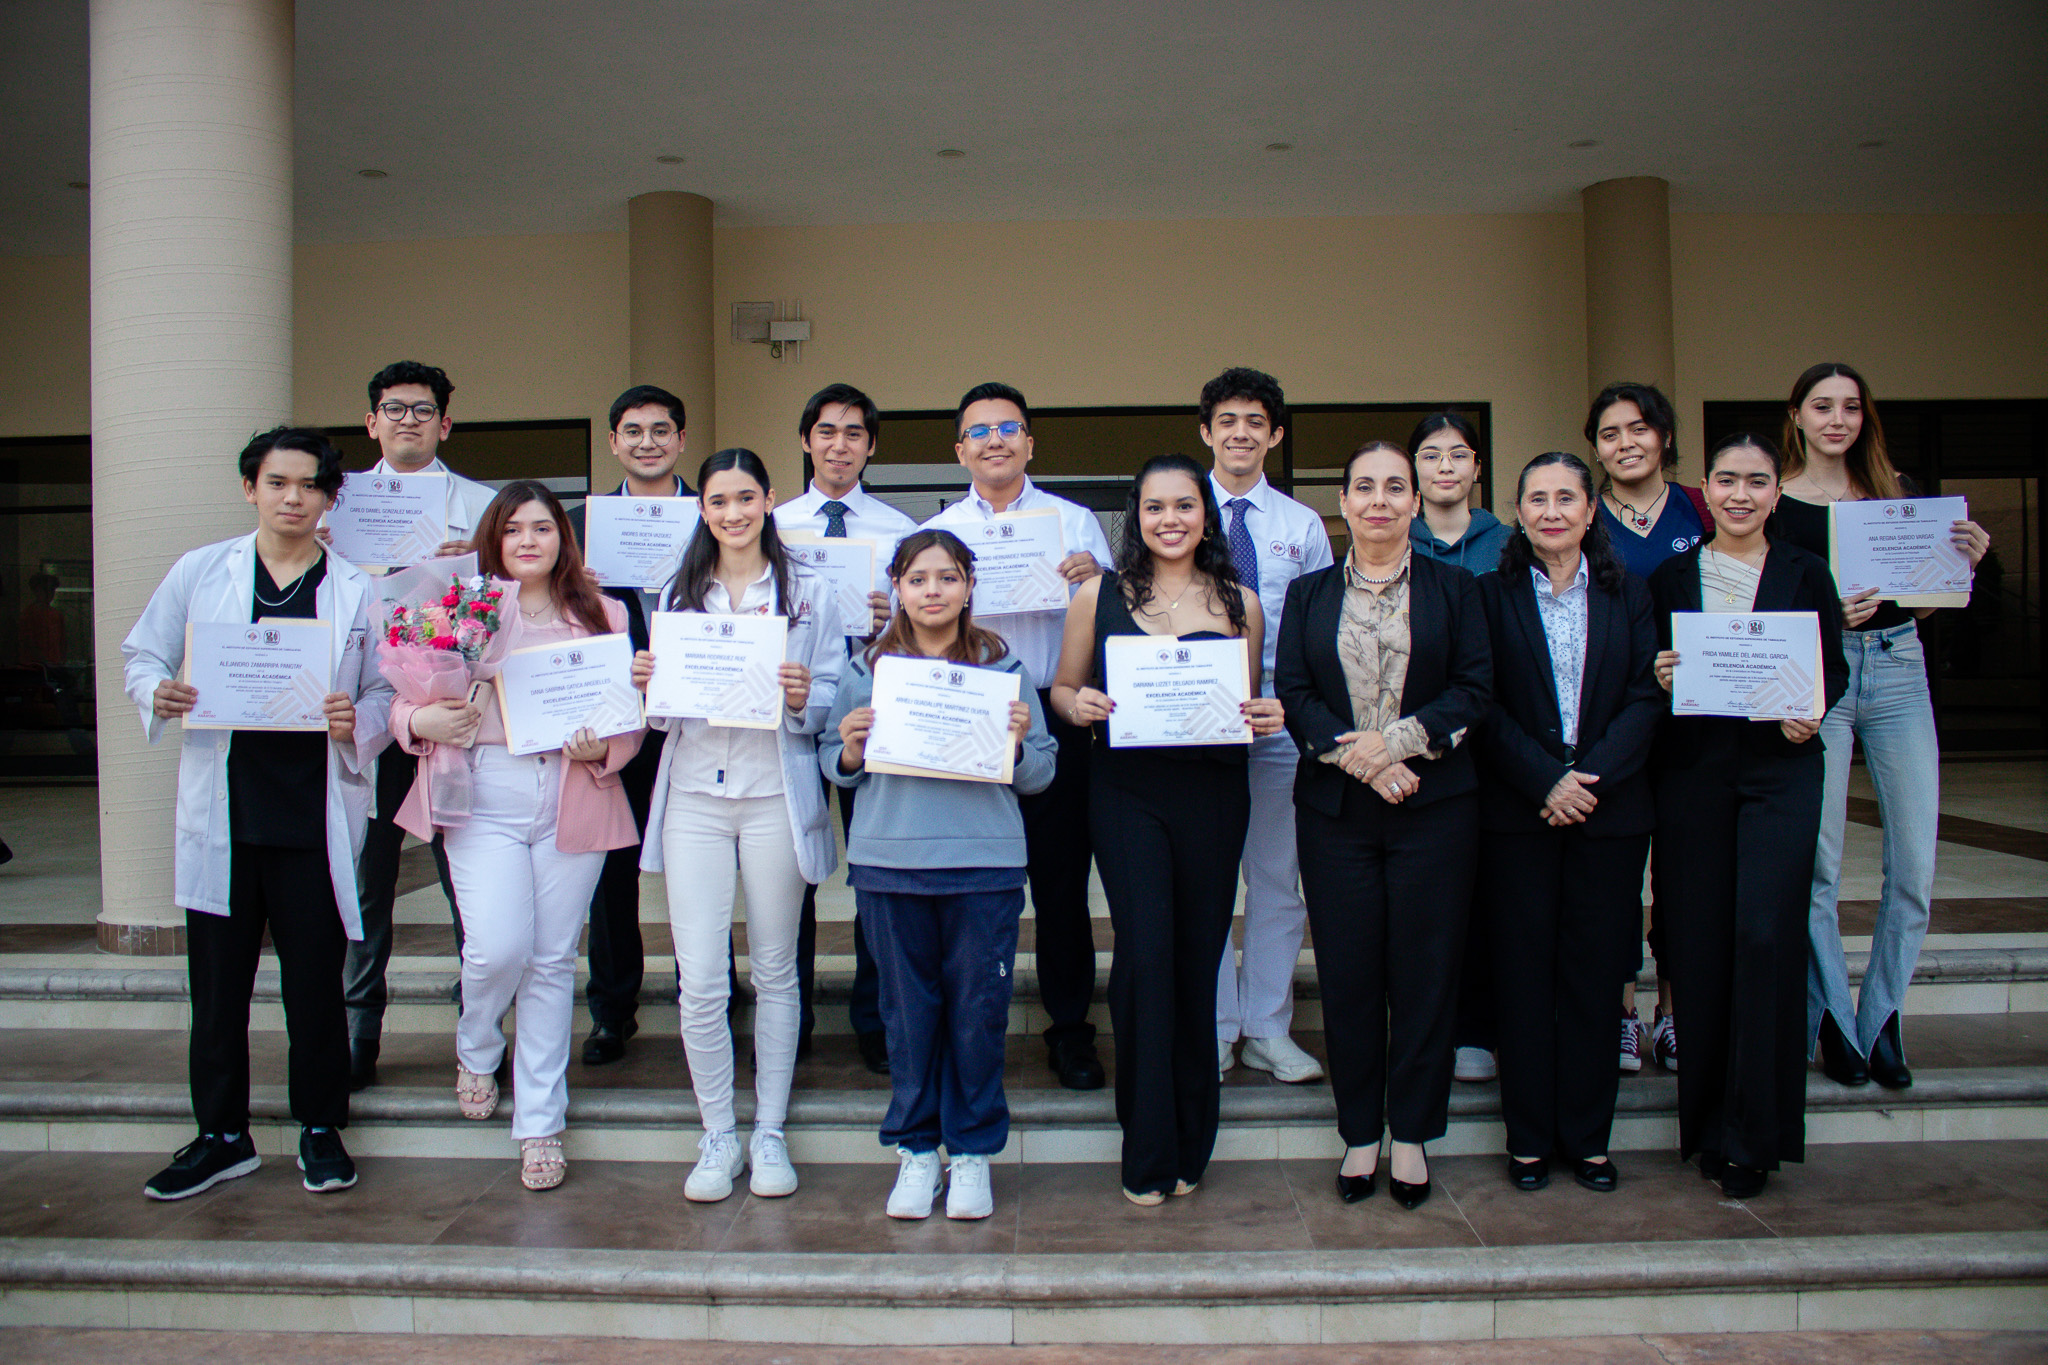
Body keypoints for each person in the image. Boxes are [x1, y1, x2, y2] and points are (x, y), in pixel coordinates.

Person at [121, 427, 393, 1199]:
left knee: (314, 987)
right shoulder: (201, 571)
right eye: (278, 482)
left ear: (329, 497)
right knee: (217, 990)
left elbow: (385, 688)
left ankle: (320, 1127)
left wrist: (358, 718)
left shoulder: (357, 587)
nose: (293, 498)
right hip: (226, 817)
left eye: (309, 485)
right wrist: (158, 692)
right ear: (251, 488)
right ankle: (220, 1134)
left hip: (311, 817)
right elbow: (142, 654)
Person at [389, 481, 641, 1191]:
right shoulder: (461, 607)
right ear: (492, 539)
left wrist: (607, 749)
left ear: (563, 537)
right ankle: (476, 1041)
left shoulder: (603, 611)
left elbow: (630, 711)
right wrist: (422, 721)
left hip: (571, 793)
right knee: (497, 947)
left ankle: (540, 1123)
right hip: (483, 796)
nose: (528, 540)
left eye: (543, 527)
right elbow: (401, 702)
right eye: (513, 529)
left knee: (553, 961)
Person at [1051, 453, 1282, 1203]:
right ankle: (1147, 1141)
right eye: (1155, 507)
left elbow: (1247, 701)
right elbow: (1063, 688)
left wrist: (1265, 714)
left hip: (1214, 794)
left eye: (1185, 505)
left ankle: (1191, 1140)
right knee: (1146, 957)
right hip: (1127, 795)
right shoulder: (1098, 594)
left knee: (1196, 959)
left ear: (1205, 515)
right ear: (1136, 517)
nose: (1170, 519)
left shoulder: (1243, 602)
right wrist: (1078, 705)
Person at [1274, 439, 1490, 1211]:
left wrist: (1394, 745)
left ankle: (1414, 1133)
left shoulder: (1456, 588)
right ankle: (1361, 1130)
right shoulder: (1308, 593)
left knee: (1426, 975)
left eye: (1395, 487)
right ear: (1343, 501)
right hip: (1336, 813)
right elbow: (1295, 692)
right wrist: (1365, 764)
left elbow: (1473, 688)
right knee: (1349, 974)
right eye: (1363, 486)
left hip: (1435, 808)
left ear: (1415, 501)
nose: (1379, 500)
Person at [819, 529, 1057, 1219]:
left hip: (984, 866)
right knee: (907, 1016)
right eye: (918, 578)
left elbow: (1043, 771)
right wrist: (851, 748)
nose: (933, 590)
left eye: (948, 577)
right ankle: (918, 1149)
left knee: (979, 1014)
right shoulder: (867, 668)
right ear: (896, 586)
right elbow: (833, 763)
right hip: (892, 866)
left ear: (969, 586)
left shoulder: (1002, 667)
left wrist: (1016, 744)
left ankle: (974, 1151)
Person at [1773, 363, 1990, 1090]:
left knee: (1916, 864)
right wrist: (1828, 616)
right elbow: (1767, 603)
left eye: (1850, 407)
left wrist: (1958, 565)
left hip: (1898, 666)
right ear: (1797, 416)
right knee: (1820, 864)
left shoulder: (1898, 494)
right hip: (1823, 672)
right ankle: (1834, 1019)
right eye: (1822, 406)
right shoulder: (1778, 502)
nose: (1837, 420)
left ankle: (1884, 1015)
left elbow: (1920, 606)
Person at [635, 449, 844, 1202]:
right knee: (699, 979)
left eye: (746, 498)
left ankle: (770, 1130)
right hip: (694, 795)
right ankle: (719, 1131)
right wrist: (649, 686)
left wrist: (803, 695)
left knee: (776, 971)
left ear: (769, 500)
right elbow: (662, 716)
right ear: (702, 508)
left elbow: (832, 694)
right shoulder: (678, 590)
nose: (733, 513)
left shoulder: (809, 589)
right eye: (719, 500)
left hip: (772, 794)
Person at [1649, 432, 1847, 1199]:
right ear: (1706, 489)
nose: (1740, 494)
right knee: (1699, 944)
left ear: (1775, 492)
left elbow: (1829, 669)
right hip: (1694, 773)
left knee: (1764, 937)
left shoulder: (1807, 571)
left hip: (1780, 771)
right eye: (1726, 480)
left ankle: (1755, 1135)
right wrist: (1661, 672)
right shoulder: (1671, 576)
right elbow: (1650, 672)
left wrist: (1811, 712)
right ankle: (1706, 1127)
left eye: (1756, 481)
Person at [1475, 452, 1661, 1194]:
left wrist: (1587, 781)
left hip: (1608, 815)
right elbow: (1481, 700)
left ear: (1591, 511)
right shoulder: (1488, 596)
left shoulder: (1630, 593)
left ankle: (1588, 1139)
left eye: (1566, 498)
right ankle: (1528, 1139)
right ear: (1518, 512)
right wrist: (1544, 779)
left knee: (1594, 979)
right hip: (1518, 814)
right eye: (1537, 498)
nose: (1551, 511)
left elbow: (1647, 696)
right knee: (1521, 979)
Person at [923, 383, 1115, 1091]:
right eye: (979, 431)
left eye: (1008, 428)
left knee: (1061, 886)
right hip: (968, 709)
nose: (995, 440)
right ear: (960, 450)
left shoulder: (1074, 521)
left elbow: (1116, 617)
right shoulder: (940, 532)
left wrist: (1098, 580)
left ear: (1030, 443)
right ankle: (969, 1033)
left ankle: (1069, 1030)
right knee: (971, 885)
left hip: (1055, 711)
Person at [342, 360, 499, 1091]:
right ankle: (357, 1034)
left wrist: (473, 569)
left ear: (446, 423)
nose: (409, 420)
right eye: (394, 408)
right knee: (365, 884)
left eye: (423, 409)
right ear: (372, 421)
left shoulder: (484, 507)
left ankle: (480, 1038)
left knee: (468, 886)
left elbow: (514, 598)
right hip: (370, 716)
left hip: (457, 718)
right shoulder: (337, 505)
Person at [776, 383, 921, 1075]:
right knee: (788, 875)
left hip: (870, 711)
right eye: (827, 432)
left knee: (875, 869)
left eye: (854, 433)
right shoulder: (774, 524)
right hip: (791, 708)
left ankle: (876, 1019)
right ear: (807, 440)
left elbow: (930, 622)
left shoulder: (898, 529)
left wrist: (891, 617)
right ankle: (790, 1020)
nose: (840, 445)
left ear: (871, 445)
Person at [1198, 368, 1332, 1086]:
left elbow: (1321, 627)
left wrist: (1298, 709)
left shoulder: (1301, 525)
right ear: (1206, 431)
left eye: (1255, 421)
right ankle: (1217, 1029)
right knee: (1209, 881)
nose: (1240, 433)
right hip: (1193, 723)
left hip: (1279, 721)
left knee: (1277, 880)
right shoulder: (1180, 509)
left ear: (1275, 435)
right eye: (1227, 420)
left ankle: (1267, 1029)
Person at [566, 384, 697, 1068]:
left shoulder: (717, 512)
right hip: (611, 718)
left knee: (700, 861)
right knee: (611, 865)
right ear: (614, 442)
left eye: (661, 430)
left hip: (694, 715)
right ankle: (612, 1009)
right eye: (634, 432)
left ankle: (708, 989)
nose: (648, 442)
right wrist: (576, 585)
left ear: (681, 439)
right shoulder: (577, 526)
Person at [1586, 380, 1705, 1078]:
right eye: (1610, 434)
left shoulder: (1701, 507)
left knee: (1682, 875)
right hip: (1616, 719)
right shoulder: (1585, 516)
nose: (1625, 443)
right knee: (1619, 876)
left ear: (1663, 436)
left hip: (1696, 720)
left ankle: (1674, 1013)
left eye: (1638, 429)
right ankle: (1623, 1012)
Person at [1406, 410, 1511, 1087]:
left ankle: (1479, 1025)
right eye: (1430, 454)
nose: (1445, 465)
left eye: (1458, 453)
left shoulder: (1510, 543)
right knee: (1428, 898)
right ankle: (1429, 1029)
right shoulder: (1391, 538)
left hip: (1501, 739)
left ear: (1477, 467)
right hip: (1418, 745)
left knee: (1489, 894)